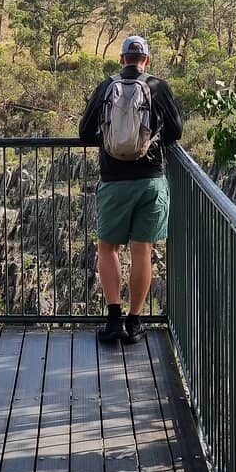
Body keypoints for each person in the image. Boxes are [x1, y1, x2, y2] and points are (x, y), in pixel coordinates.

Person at [78, 34, 182, 345]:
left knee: (108, 249)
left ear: (122, 59)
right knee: (143, 251)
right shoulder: (157, 87)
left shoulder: (107, 86)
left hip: (113, 181)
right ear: (146, 60)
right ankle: (135, 323)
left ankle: (113, 321)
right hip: (150, 180)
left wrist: (111, 140)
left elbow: (84, 133)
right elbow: (176, 131)